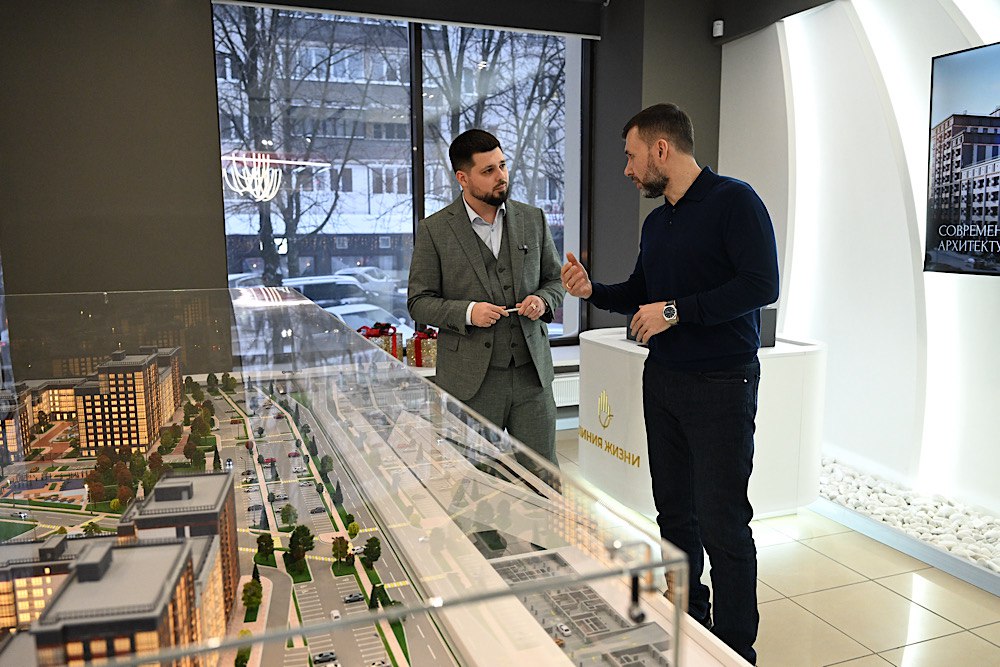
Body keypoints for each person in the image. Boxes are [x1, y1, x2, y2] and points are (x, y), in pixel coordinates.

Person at [561, 103, 778, 664]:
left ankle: (735, 648)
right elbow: (642, 293)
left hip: (721, 383)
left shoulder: (736, 201)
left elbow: (761, 284)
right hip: (663, 382)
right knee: (674, 515)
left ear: (661, 149)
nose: (627, 170)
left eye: (631, 156)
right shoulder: (657, 223)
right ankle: (688, 622)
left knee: (723, 524)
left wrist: (676, 312)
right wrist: (592, 292)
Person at [408, 129, 565, 471]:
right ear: (462, 178)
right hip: (470, 382)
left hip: (532, 377)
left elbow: (555, 280)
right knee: (473, 480)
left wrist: (543, 300)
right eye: (488, 170)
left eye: (503, 165)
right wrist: (468, 312)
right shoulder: (435, 230)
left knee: (544, 474)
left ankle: (542, 511)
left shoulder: (533, 219)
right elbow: (418, 302)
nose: (501, 176)